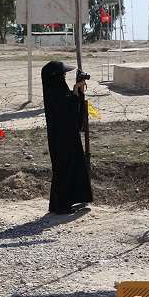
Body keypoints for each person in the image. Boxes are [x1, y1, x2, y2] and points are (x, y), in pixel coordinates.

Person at [41, 61, 93, 214]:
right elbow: (67, 111)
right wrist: (76, 95)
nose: (64, 76)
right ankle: (61, 205)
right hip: (61, 138)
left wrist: (77, 91)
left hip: (68, 136)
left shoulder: (58, 89)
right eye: (62, 74)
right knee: (63, 168)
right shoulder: (54, 93)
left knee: (72, 166)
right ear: (56, 76)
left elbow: (70, 106)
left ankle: (65, 202)